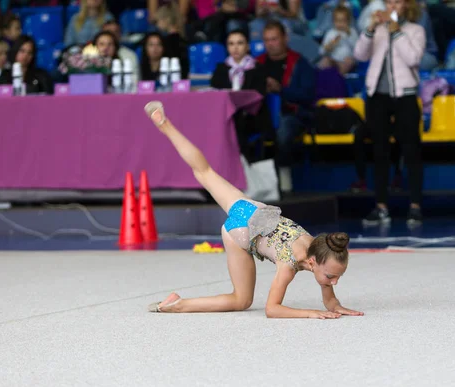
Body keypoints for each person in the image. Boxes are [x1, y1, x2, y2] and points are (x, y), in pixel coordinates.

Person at [144, 101, 363, 319]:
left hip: (252, 210)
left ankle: (165, 124)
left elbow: (328, 289)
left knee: (205, 172)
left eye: (336, 278)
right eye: (332, 277)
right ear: (313, 262)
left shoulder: (321, 247)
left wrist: (334, 304)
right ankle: (179, 305)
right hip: (239, 229)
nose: (334, 282)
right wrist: (309, 313)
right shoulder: (289, 264)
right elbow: (272, 309)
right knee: (241, 300)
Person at [353, 0, 425, 226]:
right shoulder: (378, 30)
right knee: (379, 151)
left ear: (406, 6)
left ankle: (415, 206)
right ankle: (381, 206)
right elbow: (359, 54)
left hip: (405, 95)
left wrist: (397, 33)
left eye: (398, 2)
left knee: (411, 149)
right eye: (389, 2)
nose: (392, 6)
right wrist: (370, 29)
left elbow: (413, 58)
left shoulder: (415, 30)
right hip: (378, 97)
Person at [256, 20, 316, 193]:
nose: (270, 44)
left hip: (294, 114)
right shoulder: (257, 63)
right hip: (262, 114)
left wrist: (280, 89)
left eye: (274, 39)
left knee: (283, 129)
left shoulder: (300, 63)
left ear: (285, 38)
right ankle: (249, 182)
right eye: (267, 40)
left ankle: (284, 178)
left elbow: (307, 96)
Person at [210, 29, 272, 162]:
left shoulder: (257, 68)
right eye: (231, 44)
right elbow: (215, 92)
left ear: (247, 46)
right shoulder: (221, 69)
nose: (235, 48)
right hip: (225, 115)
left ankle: (241, 166)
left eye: (240, 43)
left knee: (237, 122)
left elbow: (259, 96)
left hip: (251, 116)